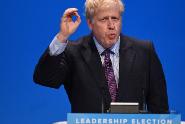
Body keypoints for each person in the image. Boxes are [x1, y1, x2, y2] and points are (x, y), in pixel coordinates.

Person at [33, 0, 169, 113]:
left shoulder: (144, 51)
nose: (111, 26)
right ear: (90, 23)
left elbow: (159, 106)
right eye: (104, 19)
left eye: (115, 18)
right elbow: (44, 79)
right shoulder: (73, 52)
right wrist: (62, 37)